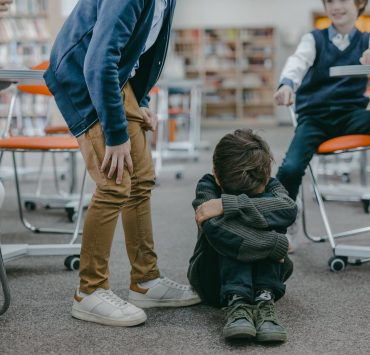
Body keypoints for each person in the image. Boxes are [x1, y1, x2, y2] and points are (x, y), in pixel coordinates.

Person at [44, 0, 200, 328]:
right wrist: (116, 134)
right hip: (84, 77)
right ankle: (89, 291)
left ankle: (145, 281)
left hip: (115, 78)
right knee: (115, 183)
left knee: (141, 179)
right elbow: (98, 60)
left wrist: (139, 103)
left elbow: (141, 50)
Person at [188, 129, 297, 342]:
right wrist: (275, 243)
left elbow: (288, 209)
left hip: (266, 281)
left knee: (262, 216)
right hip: (214, 280)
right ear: (216, 175)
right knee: (228, 230)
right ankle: (237, 300)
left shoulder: (271, 185)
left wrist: (230, 204)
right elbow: (217, 230)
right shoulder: (207, 185)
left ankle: (264, 299)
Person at [274, 0, 370, 202]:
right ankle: (284, 215)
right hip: (315, 119)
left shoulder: (366, 41)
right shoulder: (313, 39)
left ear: (359, 4)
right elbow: (297, 62)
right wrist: (287, 84)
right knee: (289, 169)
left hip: (352, 116)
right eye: (329, 1)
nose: (335, 6)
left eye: (342, 0)